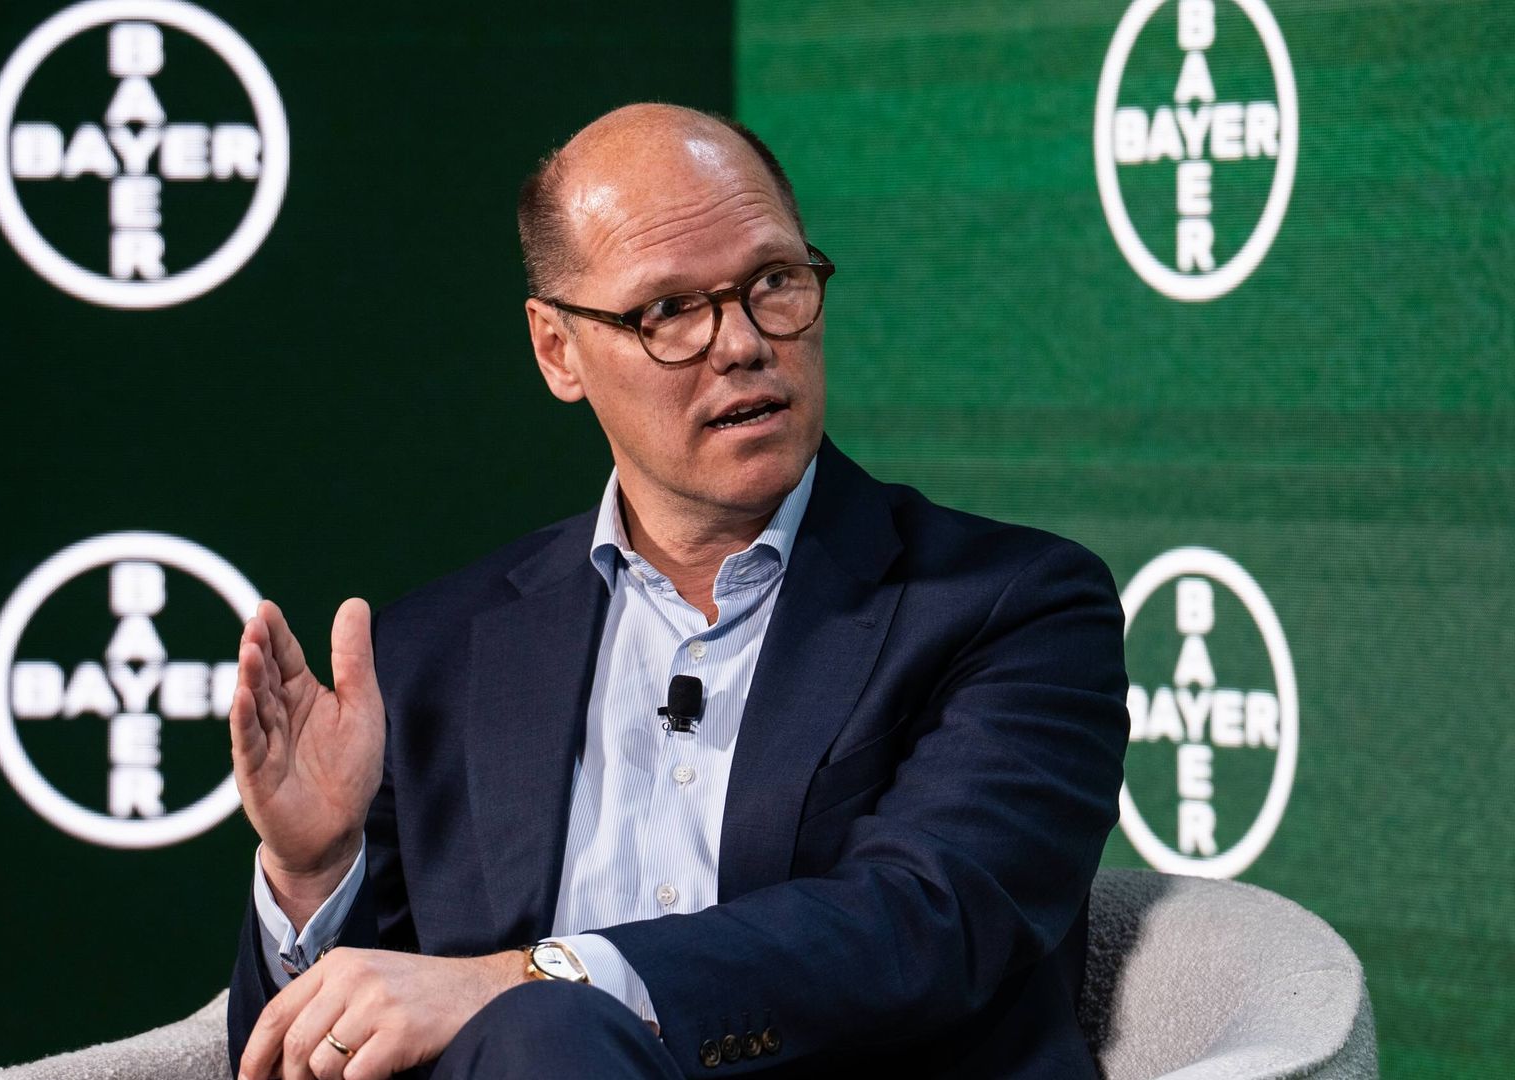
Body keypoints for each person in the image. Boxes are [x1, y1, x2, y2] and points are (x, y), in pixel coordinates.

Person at [224, 103, 1128, 1080]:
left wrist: (534, 979)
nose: (741, 344)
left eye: (774, 284)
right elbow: (290, 1059)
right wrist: (314, 873)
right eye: (669, 312)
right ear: (557, 350)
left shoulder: (1011, 606)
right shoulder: (434, 655)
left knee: (541, 1029)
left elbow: (923, 923)